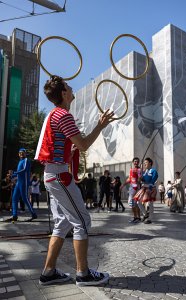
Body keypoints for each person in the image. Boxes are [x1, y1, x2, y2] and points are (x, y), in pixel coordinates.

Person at [34, 75, 114, 286]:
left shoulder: (54, 115)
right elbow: (84, 144)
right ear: (63, 93)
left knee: (62, 223)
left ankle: (48, 272)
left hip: (51, 174)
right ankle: (83, 274)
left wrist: (70, 152)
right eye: (68, 86)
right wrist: (100, 125)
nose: (71, 88)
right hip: (59, 177)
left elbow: (63, 150)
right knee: (82, 221)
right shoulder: (64, 116)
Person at [8, 148, 37, 221]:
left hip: (24, 182)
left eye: (23, 152)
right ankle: (14, 215)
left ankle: (33, 214)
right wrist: (12, 175)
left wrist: (14, 173)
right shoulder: (20, 161)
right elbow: (19, 173)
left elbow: (24, 170)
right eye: (20, 153)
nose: (21, 154)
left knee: (25, 198)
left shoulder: (26, 160)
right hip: (19, 182)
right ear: (18, 154)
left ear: (25, 153)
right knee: (14, 198)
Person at [133, 157, 158, 224]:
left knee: (150, 203)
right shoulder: (144, 172)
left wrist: (149, 187)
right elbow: (142, 180)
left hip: (151, 188)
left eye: (146, 163)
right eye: (144, 163)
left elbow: (153, 180)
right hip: (144, 188)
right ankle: (145, 214)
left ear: (150, 163)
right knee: (138, 202)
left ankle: (150, 218)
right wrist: (140, 178)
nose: (145, 164)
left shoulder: (153, 171)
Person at [120, 157, 141, 223]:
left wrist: (138, 185)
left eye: (137, 161)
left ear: (139, 162)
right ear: (133, 162)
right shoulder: (131, 170)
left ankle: (137, 217)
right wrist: (123, 185)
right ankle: (137, 217)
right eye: (135, 161)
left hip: (136, 188)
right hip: (131, 187)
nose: (136, 162)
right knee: (133, 203)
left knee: (133, 203)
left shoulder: (139, 170)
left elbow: (140, 178)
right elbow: (129, 179)